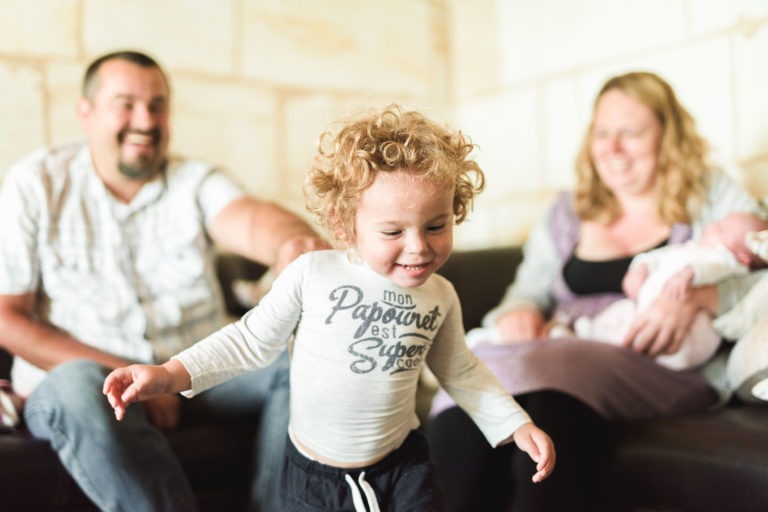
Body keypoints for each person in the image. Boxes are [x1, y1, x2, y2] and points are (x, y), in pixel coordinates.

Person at [103, 105, 556, 512]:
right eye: (393, 232)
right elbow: (248, 343)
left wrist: (515, 425)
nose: (418, 247)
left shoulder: (440, 296)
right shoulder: (311, 274)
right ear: (345, 225)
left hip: (402, 466)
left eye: (436, 225)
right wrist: (167, 375)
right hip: (315, 479)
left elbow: (461, 370)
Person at [0, 50, 327, 512]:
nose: (145, 119)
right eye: (126, 103)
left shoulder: (194, 180)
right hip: (88, 382)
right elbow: (7, 319)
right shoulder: (35, 184)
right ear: (86, 113)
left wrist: (293, 241)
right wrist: (129, 375)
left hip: (197, 373)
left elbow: (249, 218)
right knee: (75, 383)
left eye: (157, 105)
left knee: (301, 359)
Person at [427, 71, 765, 512]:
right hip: (566, 363)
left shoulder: (710, 192)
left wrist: (703, 299)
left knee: (532, 381)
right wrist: (520, 312)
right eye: (602, 132)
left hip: (663, 366)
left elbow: (757, 257)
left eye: (631, 132)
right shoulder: (569, 209)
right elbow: (526, 290)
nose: (613, 148)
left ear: (669, 135)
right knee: (514, 393)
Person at [569, 211, 768, 370]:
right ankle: (590, 329)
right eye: (719, 222)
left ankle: (617, 348)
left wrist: (689, 274)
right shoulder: (690, 247)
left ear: (744, 257)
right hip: (643, 306)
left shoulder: (728, 260)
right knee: (620, 312)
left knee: (647, 336)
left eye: (723, 230)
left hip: (689, 328)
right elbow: (657, 256)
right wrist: (640, 268)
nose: (714, 226)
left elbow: (714, 266)